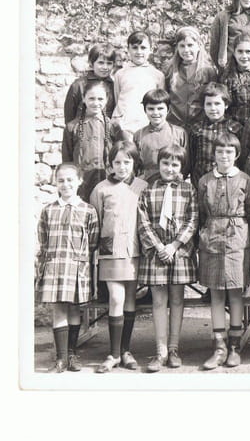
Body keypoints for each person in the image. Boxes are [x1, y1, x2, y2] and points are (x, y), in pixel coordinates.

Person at [136, 144, 198, 372]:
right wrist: (159, 246)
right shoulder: (147, 189)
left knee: (177, 300)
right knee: (159, 301)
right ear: (159, 163)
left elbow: (193, 219)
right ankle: (160, 351)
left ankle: (173, 349)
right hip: (156, 253)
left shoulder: (188, 190)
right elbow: (142, 222)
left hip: (179, 252)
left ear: (181, 167)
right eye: (165, 163)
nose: (169, 169)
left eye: (175, 164)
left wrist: (174, 245)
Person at [197, 133, 250, 369]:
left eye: (229, 151)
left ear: (237, 154)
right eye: (220, 151)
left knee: (235, 292)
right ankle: (219, 346)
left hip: (236, 239)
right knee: (216, 294)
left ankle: (234, 346)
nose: (224, 156)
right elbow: (202, 210)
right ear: (213, 154)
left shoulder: (245, 180)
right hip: (212, 237)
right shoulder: (205, 181)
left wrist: (239, 230)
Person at [89, 141, 148, 373]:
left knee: (130, 300)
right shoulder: (101, 189)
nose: (122, 167)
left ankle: (125, 351)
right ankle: (113, 354)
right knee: (116, 298)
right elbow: (95, 222)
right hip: (110, 252)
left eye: (127, 162)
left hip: (134, 251)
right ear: (110, 164)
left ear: (135, 162)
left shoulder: (142, 186)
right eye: (117, 162)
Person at [36, 162, 100, 373]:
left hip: (76, 267)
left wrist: (79, 261)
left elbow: (93, 242)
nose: (65, 184)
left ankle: (72, 354)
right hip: (55, 266)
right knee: (59, 310)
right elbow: (43, 241)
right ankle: (60, 359)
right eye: (61, 180)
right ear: (56, 183)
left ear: (79, 181)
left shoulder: (88, 210)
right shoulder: (48, 210)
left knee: (74, 310)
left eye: (70, 180)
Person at [61, 80, 126, 202]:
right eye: (91, 98)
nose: (96, 103)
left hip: (108, 181)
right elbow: (67, 160)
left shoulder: (113, 126)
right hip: (82, 184)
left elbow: (122, 155)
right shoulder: (72, 127)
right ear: (84, 98)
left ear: (107, 100)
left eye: (100, 99)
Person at [189, 82, 243, 187]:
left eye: (217, 104)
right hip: (202, 181)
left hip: (229, 182)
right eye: (208, 104)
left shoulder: (235, 128)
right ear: (203, 106)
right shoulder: (196, 129)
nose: (213, 108)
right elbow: (192, 159)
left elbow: (241, 158)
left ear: (226, 105)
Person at [111, 31, 166, 135]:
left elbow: (161, 103)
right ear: (128, 49)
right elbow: (117, 98)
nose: (139, 51)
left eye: (143, 48)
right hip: (125, 125)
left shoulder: (157, 75)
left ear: (150, 49)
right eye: (135, 48)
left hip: (147, 124)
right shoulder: (120, 74)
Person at [164, 26, 218, 128]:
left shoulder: (208, 71)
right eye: (182, 46)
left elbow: (214, 98)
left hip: (200, 125)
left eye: (190, 45)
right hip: (174, 125)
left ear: (198, 46)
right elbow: (165, 97)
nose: (186, 50)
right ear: (177, 48)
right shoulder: (171, 70)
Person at [132, 89, 189, 183]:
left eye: (160, 108)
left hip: (174, 183)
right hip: (147, 183)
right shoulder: (139, 135)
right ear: (145, 110)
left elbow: (186, 164)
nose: (155, 112)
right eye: (151, 109)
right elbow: (136, 165)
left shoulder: (179, 133)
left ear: (168, 109)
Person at [63, 42, 124, 123]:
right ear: (91, 63)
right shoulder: (78, 85)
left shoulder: (114, 86)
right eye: (101, 63)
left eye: (109, 63)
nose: (105, 67)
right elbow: (69, 117)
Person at [222, 34, 250, 123]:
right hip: (235, 126)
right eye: (240, 51)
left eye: (248, 51)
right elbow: (224, 108)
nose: (244, 56)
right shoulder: (228, 78)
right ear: (234, 53)